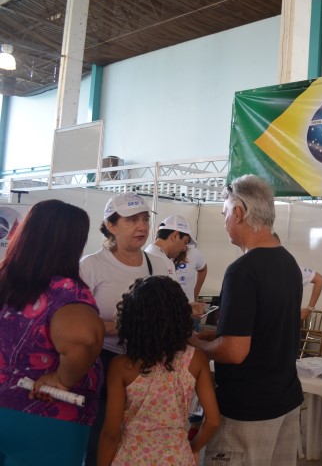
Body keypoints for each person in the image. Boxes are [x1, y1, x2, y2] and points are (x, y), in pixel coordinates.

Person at [189, 175, 304, 466]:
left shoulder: (242, 270)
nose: (225, 221)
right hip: (286, 399)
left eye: (225, 213)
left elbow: (234, 351)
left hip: (248, 409)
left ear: (239, 213)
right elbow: (268, 328)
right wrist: (218, 335)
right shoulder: (289, 263)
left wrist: (196, 345)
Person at [0, 200, 105, 465]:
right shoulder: (66, 291)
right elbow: (85, 339)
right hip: (44, 416)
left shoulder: (4, 278)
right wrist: (61, 379)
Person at [80, 191, 171, 466]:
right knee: (103, 437)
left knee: (142, 437)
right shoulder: (91, 266)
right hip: (104, 363)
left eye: (144, 219)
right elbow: (78, 324)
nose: (141, 226)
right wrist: (126, 326)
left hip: (147, 362)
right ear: (111, 226)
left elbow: (167, 311)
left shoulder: (159, 264)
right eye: (132, 220)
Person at [97, 276, 220, 465]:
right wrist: (193, 448)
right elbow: (213, 420)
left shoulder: (121, 366)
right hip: (177, 457)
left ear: (131, 320)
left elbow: (111, 434)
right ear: (181, 316)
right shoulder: (196, 359)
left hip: (132, 458)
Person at [145, 214, 206, 317]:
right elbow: (164, 307)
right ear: (175, 236)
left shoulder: (149, 253)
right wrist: (189, 310)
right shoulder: (161, 260)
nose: (184, 248)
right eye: (185, 242)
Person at [272, 232, 322, 321]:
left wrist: (309, 309)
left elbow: (320, 279)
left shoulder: (291, 268)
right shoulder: (255, 268)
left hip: (285, 322)